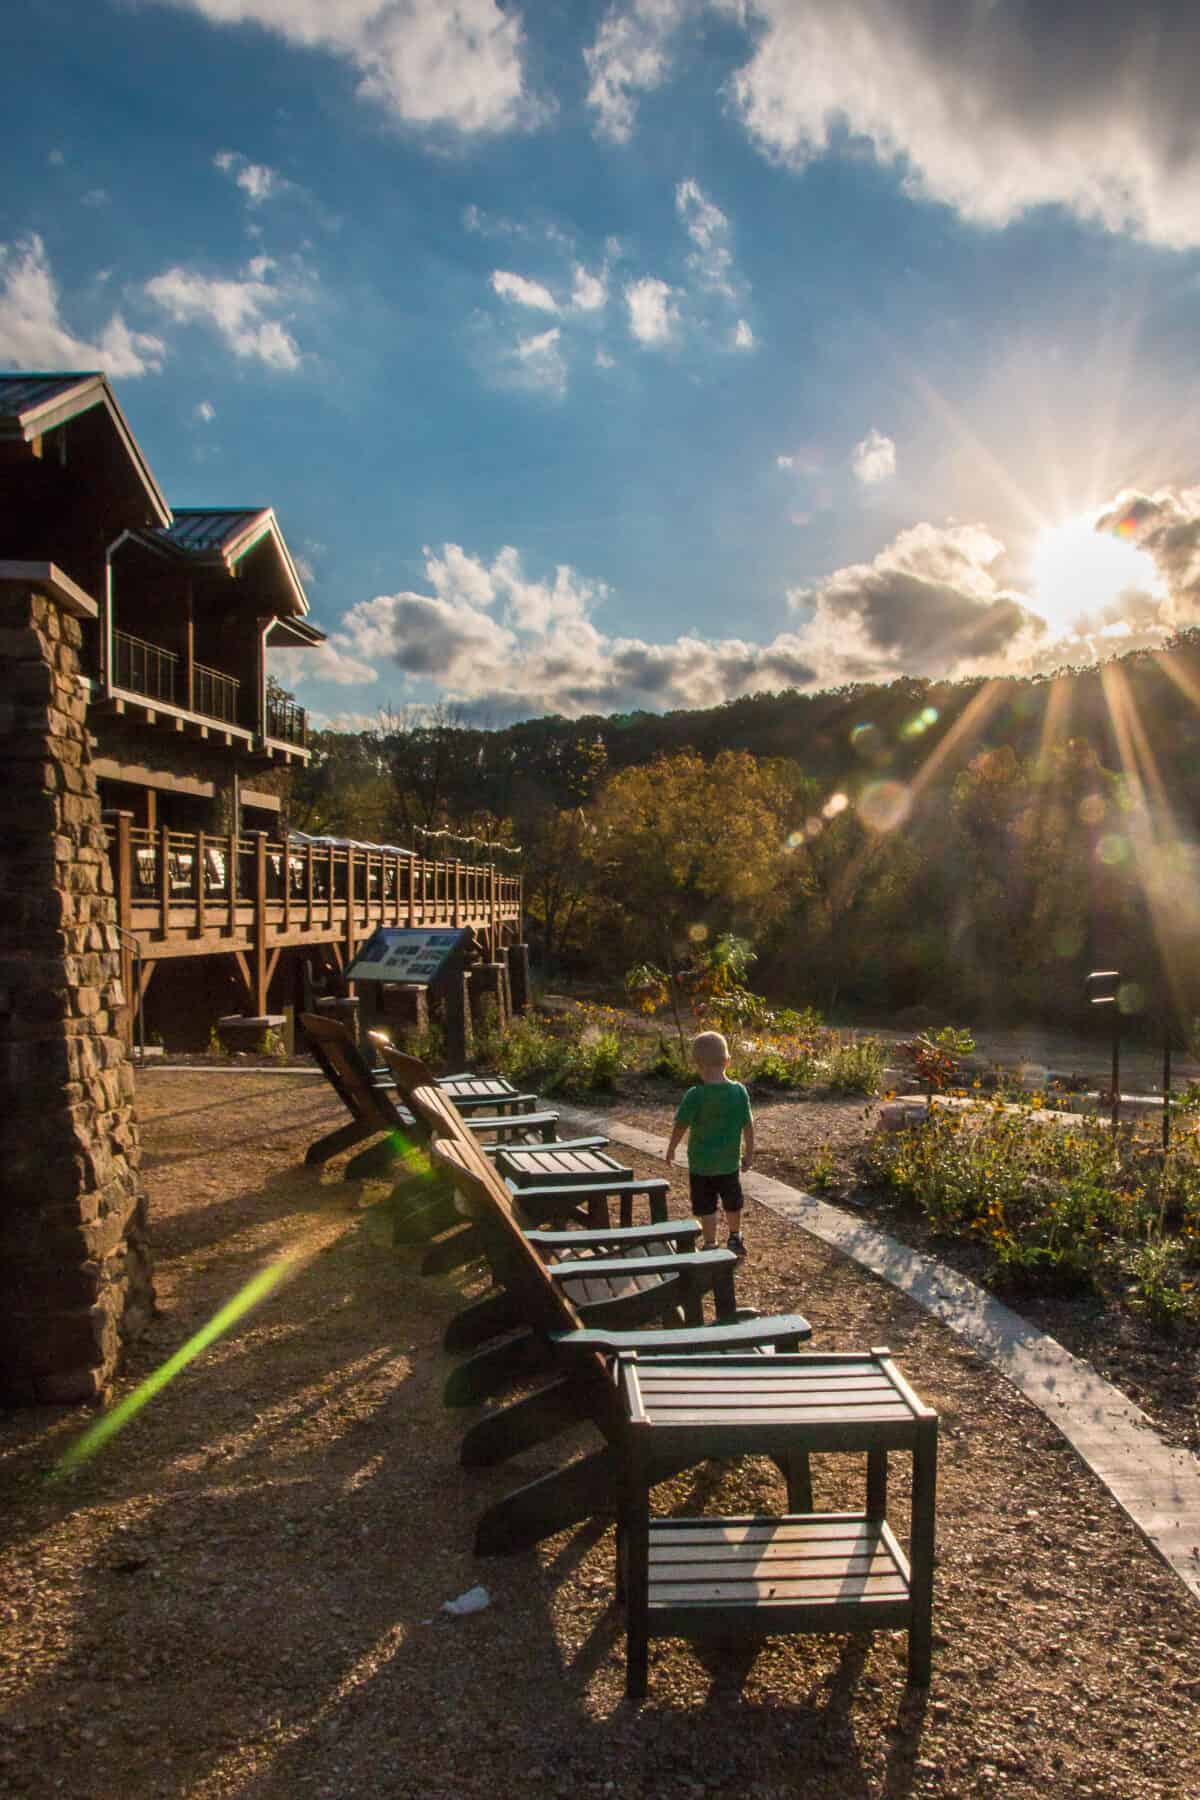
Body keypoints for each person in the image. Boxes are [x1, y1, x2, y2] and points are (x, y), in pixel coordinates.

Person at [664, 1029, 754, 1259]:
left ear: (696, 1064)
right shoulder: (738, 1092)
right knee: (732, 1201)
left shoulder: (695, 1095)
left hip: (701, 1165)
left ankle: (711, 1243)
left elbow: (681, 1125)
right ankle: (735, 1236)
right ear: (727, 1062)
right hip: (728, 1163)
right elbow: (748, 1125)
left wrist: (672, 1148)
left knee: (706, 1206)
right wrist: (750, 1153)